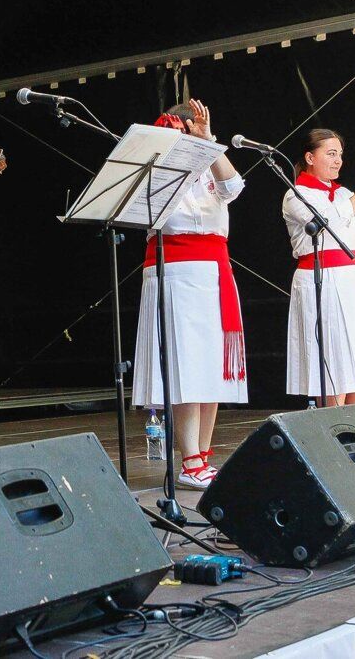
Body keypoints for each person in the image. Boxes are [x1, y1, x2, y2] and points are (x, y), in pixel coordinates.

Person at [131, 99, 247, 490]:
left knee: (211, 365)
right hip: (175, 269)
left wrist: (209, 145)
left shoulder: (211, 164)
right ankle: (188, 459)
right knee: (187, 366)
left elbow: (234, 187)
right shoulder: (155, 166)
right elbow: (151, 213)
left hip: (214, 268)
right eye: (184, 128)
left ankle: (203, 454)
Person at [283, 130, 355, 406]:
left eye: (340, 155)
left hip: (353, 280)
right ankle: (334, 430)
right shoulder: (296, 194)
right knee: (333, 364)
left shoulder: (343, 193)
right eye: (331, 154)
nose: (338, 161)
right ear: (310, 157)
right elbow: (327, 223)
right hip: (322, 278)